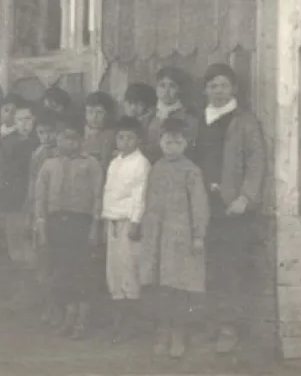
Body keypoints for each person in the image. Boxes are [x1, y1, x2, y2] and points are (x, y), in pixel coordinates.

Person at [195, 62, 266, 354]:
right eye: (213, 86)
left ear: (234, 88)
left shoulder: (244, 121)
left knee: (232, 267)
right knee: (209, 266)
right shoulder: (200, 120)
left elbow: (256, 161)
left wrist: (245, 198)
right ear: (205, 90)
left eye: (224, 85)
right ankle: (212, 322)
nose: (218, 91)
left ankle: (230, 328)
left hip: (233, 208)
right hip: (204, 205)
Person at [140, 118, 209, 359]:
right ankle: (163, 332)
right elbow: (146, 200)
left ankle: (178, 335)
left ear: (186, 144)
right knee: (160, 287)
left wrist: (198, 235)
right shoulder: (156, 168)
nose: (171, 147)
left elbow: (199, 205)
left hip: (180, 236)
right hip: (156, 236)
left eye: (177, 142)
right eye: (167, 142)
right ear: (160, 143)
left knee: (178, 286)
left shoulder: (191, 171)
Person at [32, 117, 103, 340]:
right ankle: (68, 316)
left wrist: (95, 226)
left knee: (80, 271)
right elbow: (40, 197)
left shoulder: (91, 164)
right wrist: (41, 225)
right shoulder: (49, 164)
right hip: (56, 223)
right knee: (62, 271)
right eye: (64, 138)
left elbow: (98, 196)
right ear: (57, 138)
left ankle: (82, 319)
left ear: (81, 140)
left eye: (74, 138)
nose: (69, 143)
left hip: (80, 223)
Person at [101, 116, 150, 343]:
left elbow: (139, 195)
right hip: (112, 220)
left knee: (129, 270)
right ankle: (118, 322)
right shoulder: (115, 162)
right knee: (115, 272)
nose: (125, 142)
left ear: (138, 140)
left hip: (129, 222)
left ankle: (131, 324)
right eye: (121, 137)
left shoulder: (141, 163)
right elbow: (109, 193)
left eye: (130, 138)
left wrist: (135, 222)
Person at [0, 99, 38, 267]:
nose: (24, 123)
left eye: (27, 119)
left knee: (32, 243)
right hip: (13, 198)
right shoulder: (7, 143)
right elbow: (2, 173)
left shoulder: (38, 142)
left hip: (33, 197)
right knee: (15, 243)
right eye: (20, 119)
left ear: (34, 119)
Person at [29, 109, 60, 325]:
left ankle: (58, 307)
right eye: (41, 132)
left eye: (50, 132)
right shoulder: (37, 154)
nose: (46, 137)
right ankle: (47, 306)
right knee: (42, 260)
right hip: (39, 211)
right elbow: (32, 183)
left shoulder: (59, 154)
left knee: (56, 261)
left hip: (56, 210)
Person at [150, 67, 199, 162]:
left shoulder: (189, 118)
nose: (166, 91)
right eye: (162, 86)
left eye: (172, 86)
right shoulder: (150, 116)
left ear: (179, 89)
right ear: (156, 89)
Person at [124, 83, 159, 162]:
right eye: (129, 102)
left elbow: (152, 151)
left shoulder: (154, 125)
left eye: (139, 104)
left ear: (149, 106)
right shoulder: (126, 121)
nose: (132, 107)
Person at [83, 91, 117, 166]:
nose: (94, 117)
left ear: (108, 114)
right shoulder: (80, 133)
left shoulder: (112, 136)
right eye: (90, 112)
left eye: (99, 112)